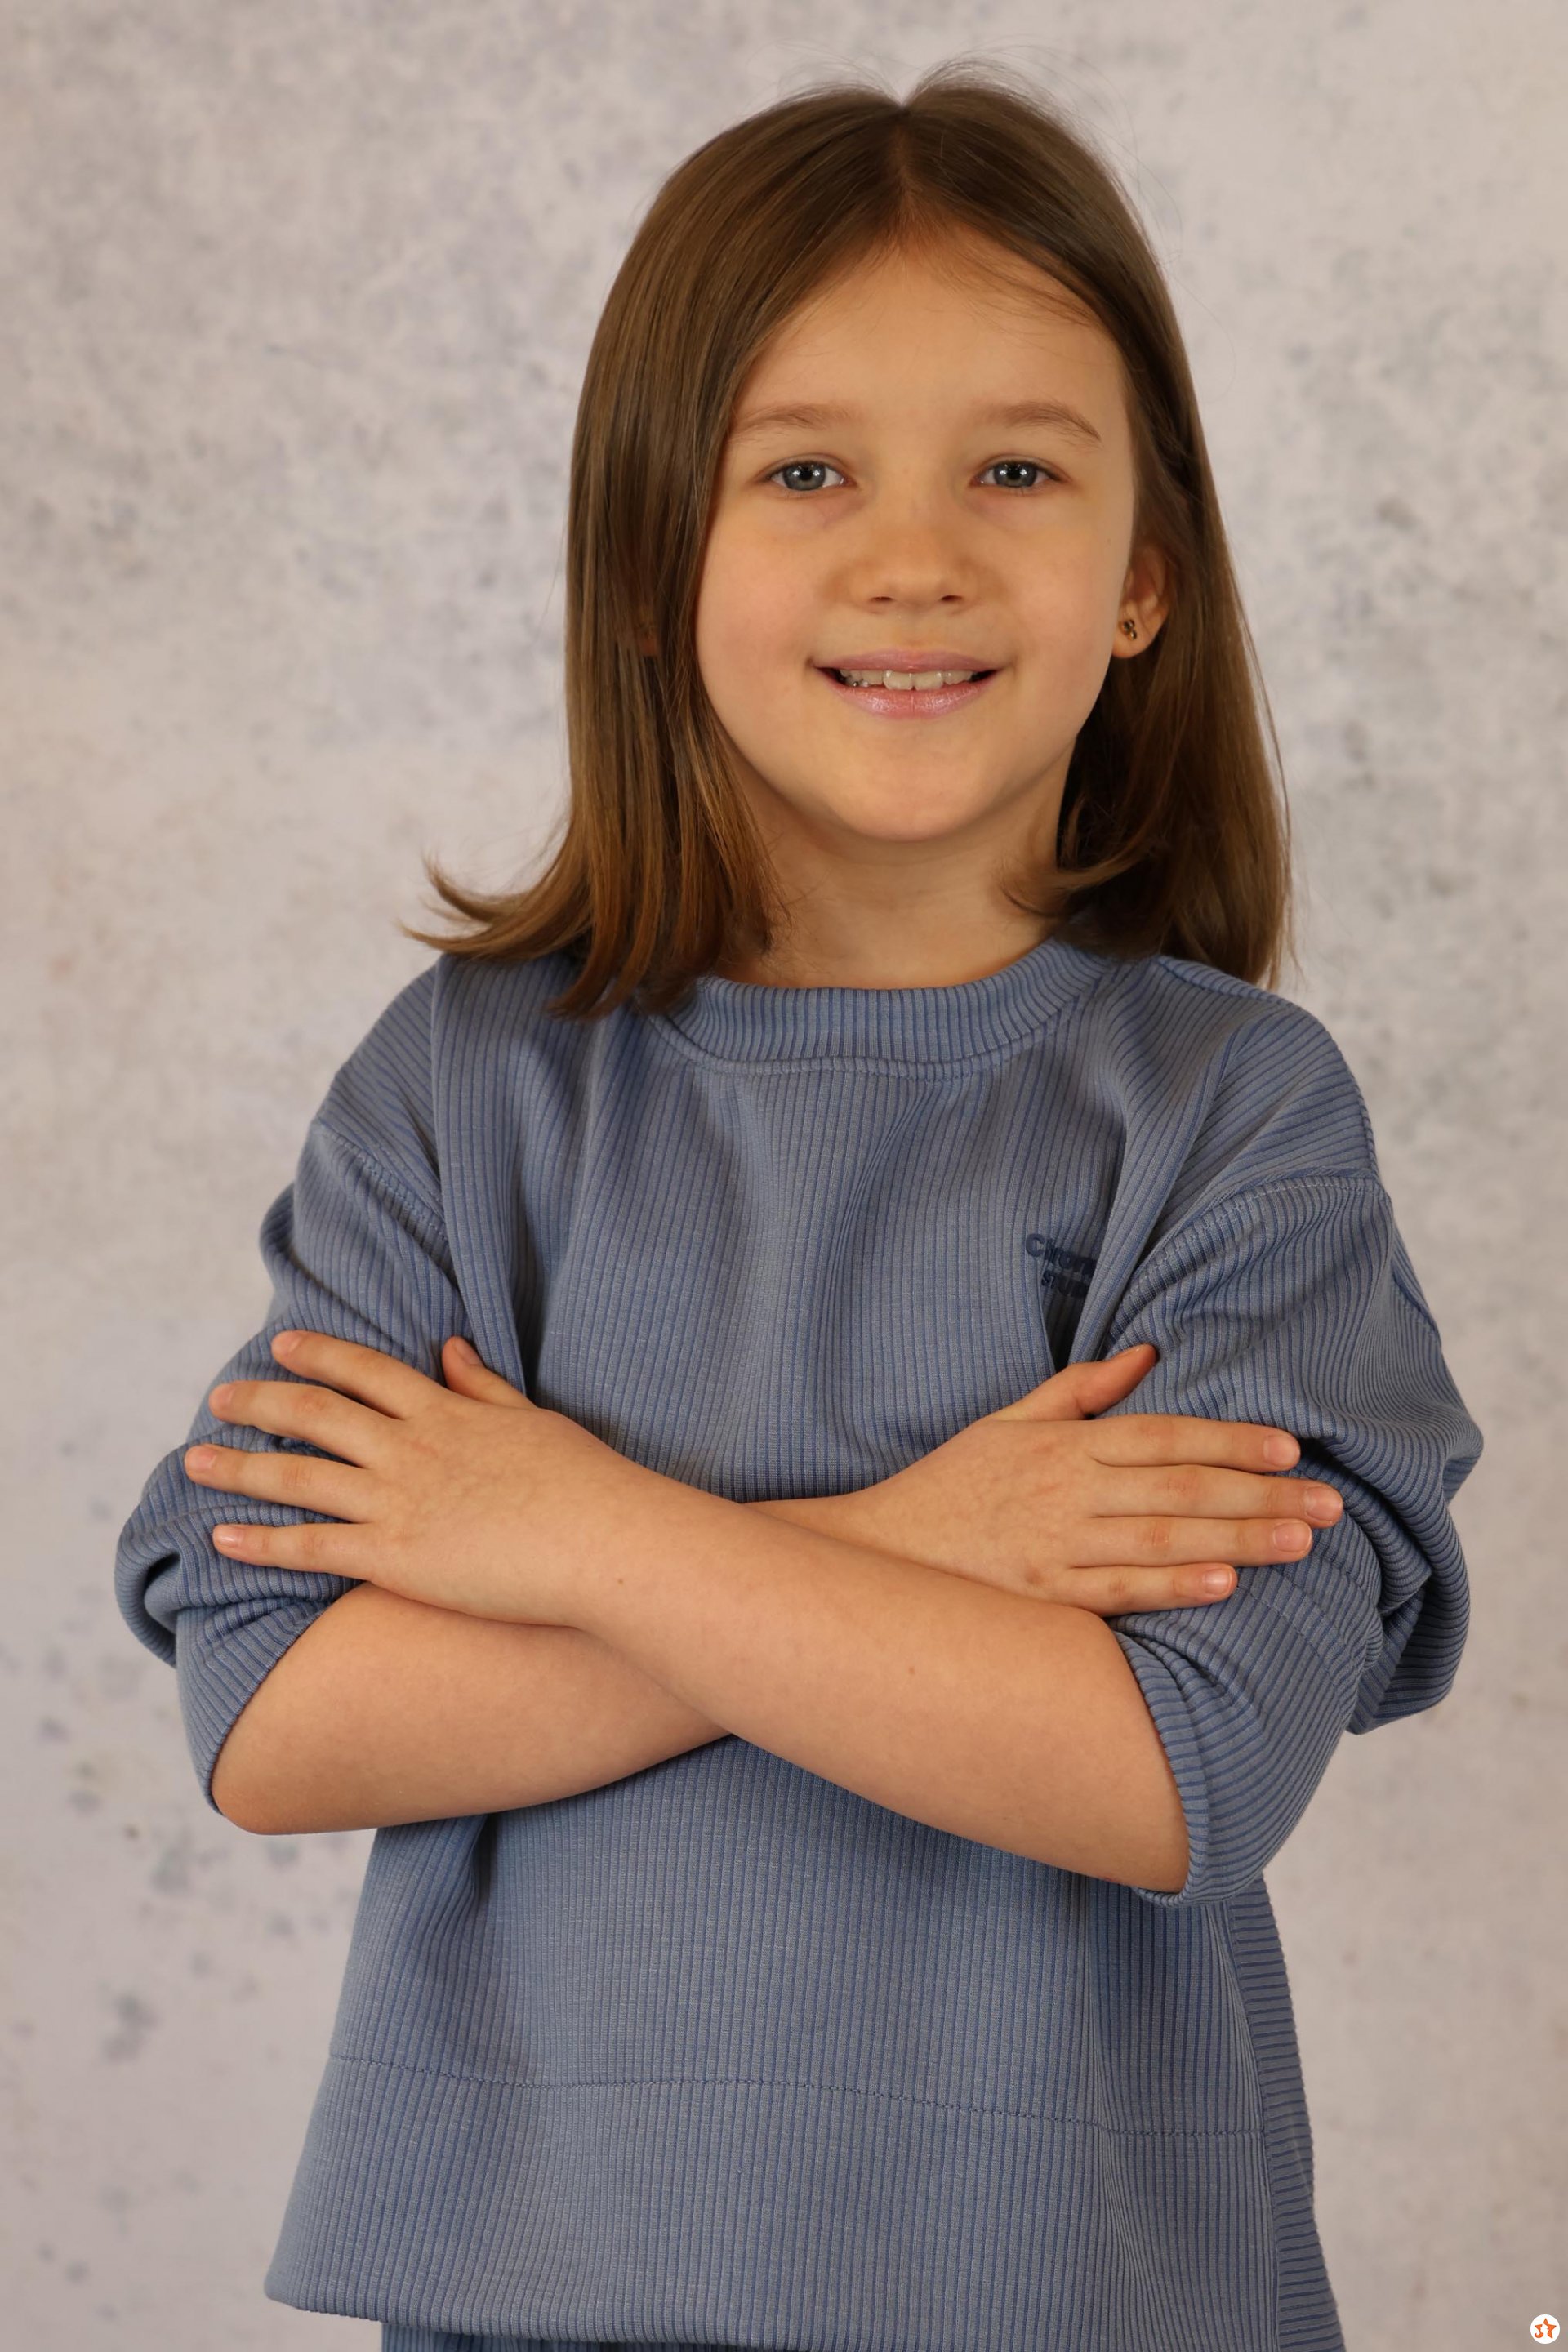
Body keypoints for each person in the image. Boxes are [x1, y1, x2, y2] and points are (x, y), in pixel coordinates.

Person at [114, 61, 1482, 2352]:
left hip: (1074, 2301)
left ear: (1146, 578)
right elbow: (276, 1720)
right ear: (655, 568)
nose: (913, 555)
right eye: (807, 469)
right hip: (536, 2301)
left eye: (1017, 470)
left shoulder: (1231, 1117)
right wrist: (925, 1541)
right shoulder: (465, 1091)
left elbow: (1179, 1769)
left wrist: (567, 1529)